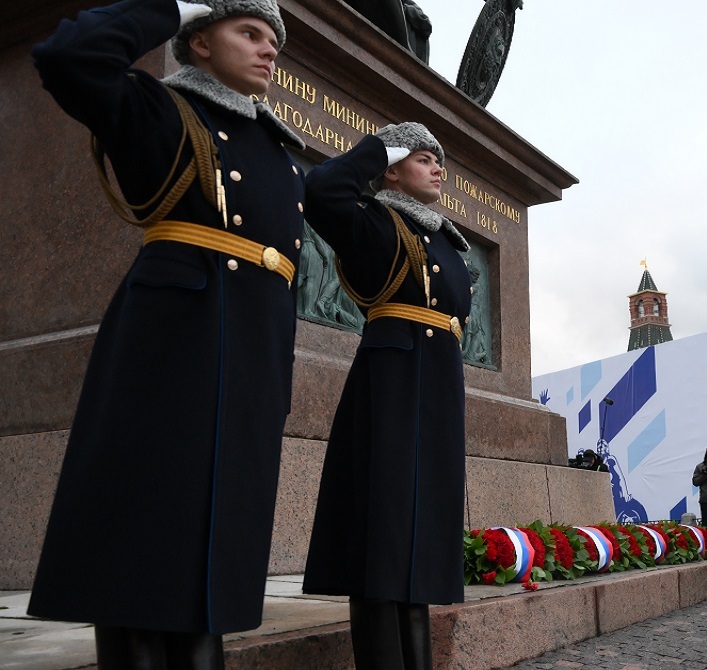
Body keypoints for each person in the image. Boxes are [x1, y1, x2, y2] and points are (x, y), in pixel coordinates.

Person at [27, 0, 305, 666]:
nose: (269, 49)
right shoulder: (160, 110)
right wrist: (173, 4)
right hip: (173, 347)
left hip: (250, 363)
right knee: (142, 553)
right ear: (200, 43)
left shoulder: (278, 149)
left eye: (274, 39)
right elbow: (68, 56)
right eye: (249, 32)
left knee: (211, 570)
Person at [302, 122, 472, 670]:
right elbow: (324, 190)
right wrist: (380, 149)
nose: (438, 167)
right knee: (383, 538)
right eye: (424, 158)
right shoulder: (376, 222)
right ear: (393, 170)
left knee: (417, 539)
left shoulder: (446, 239)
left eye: (439, 160)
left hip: (437, 392)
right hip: (390, 388)